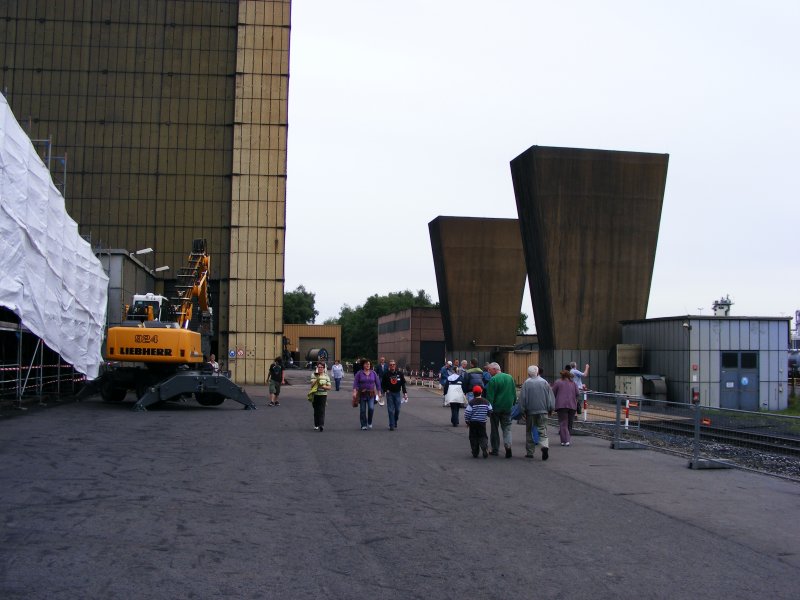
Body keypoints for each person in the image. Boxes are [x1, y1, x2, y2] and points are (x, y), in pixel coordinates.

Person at [519, 365, 555, 460]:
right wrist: (551, 408)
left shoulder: (526, 383)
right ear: (538, 372)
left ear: (528, 373)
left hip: (530, 411)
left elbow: (522, 399)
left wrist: (523, 410)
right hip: (543, 411)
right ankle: (544, 446)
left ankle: (530, 452)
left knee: (530, 431)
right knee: (543, 430)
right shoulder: (544, 382)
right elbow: (550, 397)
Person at [485, 362, 516, 458]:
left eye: (489, 370)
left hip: (496, 409)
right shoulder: (510, 378)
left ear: (494, 369)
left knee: (494, 429)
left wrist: (488, 410)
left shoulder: (493, 380)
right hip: (507, 407)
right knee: (507, 428)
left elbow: (490, 397)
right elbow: (514, 393)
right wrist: (513, 403)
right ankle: (508, 446)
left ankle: (495, 449)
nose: (488, 373)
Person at [552, 369, 579, 446]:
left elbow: (553, 392)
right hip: (572, 406)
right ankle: (568, 440)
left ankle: (564, 440)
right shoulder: (573, 383)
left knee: (563, 423)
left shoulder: (558, 382)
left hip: (561, 405)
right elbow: (577, 393)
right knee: (570, 424)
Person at [464, 385, 493, 458]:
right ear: (481, 392)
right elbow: (490, 410)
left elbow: (467, 413)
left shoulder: (471, 402)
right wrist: (487, 414)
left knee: (473, 437)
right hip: (482, 422)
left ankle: (475, 451)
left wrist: (467, 421)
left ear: (473, 393)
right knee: (483, 435)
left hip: (473, 423)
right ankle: (484, 447)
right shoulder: (486, 401)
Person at [353, 359, 382, 430]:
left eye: (368, 364)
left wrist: (379, 392)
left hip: (371, 394)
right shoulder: (359, 373)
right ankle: (363, 424)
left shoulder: (373, 373)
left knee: (371, 408)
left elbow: (378, 383)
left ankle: (369, 421)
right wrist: (354, 392)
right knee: (362, 410)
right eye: (366, 364)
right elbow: (355, 383)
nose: (367, 365)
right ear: (363, 365)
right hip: (362, 394)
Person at [381, 359, 407, 431]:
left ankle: (395, 420)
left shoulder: (400, 374)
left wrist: (405, 393)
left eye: (393, 364)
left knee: (397, 409)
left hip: (397, 393)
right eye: (391, 365)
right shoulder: (386, 374)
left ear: (395, 365)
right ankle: (391, 425)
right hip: (389, 394)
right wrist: (385, 391)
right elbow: (383, 385)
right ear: (389, 366)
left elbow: (403, 384)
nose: (392, 366)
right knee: (390, 410)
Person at [309, 362, 331, 431]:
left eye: (321, 367)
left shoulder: (326, 376)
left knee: (322, 410)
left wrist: (323, 386)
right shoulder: (313, 375)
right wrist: (317, 379)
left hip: (323, 395)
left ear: (324, 368)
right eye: (319, 367)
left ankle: (321, 425)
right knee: (316, 410)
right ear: (317, 368)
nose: (320, 368)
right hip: (315, 394)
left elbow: (329, 387)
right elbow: (311, 386)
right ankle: (316, 424)